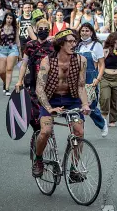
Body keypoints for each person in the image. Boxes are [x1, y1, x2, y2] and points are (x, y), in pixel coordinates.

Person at [33, 29, 90, 178]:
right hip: (50, 99)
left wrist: (85, 104)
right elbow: (39, 88)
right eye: (70, 41)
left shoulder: (81, 60)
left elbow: (81, 86)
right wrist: (49, 108)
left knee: (79, 132)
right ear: (61, 44)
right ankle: (38, 159)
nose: (74, 44)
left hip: (71, 100)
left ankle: (73, 169)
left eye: (74, 41)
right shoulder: (47, 61)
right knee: (45, 132)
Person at [15, 19, 54, 132]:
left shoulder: (52, 47)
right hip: (32, 83)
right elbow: (23, 65)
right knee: (32, 114)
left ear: (49, 31)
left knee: (46, 112)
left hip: (47, 84)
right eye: (40, 29)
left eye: (46, 29)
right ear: (36, 30)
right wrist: (19, 81)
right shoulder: (30, 45)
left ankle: (47, 134)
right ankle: (38, 133)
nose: (43, 31)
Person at [76, 23, 109, 137]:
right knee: (78, 106)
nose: (84, 32)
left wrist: (98, 79)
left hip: (91, 79)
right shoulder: (78, 46)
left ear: (91, 32)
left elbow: (102, 64)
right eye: (82, 30)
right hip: (78, 79)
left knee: (91, 107)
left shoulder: (97, 45)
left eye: (87, 30)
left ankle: (102, 123)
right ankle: (79, 131)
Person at [0, 13, 21, 95]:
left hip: (13, 49)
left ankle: (7, 88)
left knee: (9, 69)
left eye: (11, 18)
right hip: (2, 49)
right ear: (5, 19)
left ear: (13, 20)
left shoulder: (15, 28)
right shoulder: (0, 28)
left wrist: (20, 53)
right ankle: (5, 81)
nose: (9, 20)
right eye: (8, 18)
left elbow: (17, 40)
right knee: (1, 71)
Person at [100, 32, 117, 127]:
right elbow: (100, 64)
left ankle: (113, 119)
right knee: (105, 97)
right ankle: (104, 115)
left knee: (115, 100)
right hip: (106, 77)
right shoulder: (105, 50)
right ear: (115, 40)